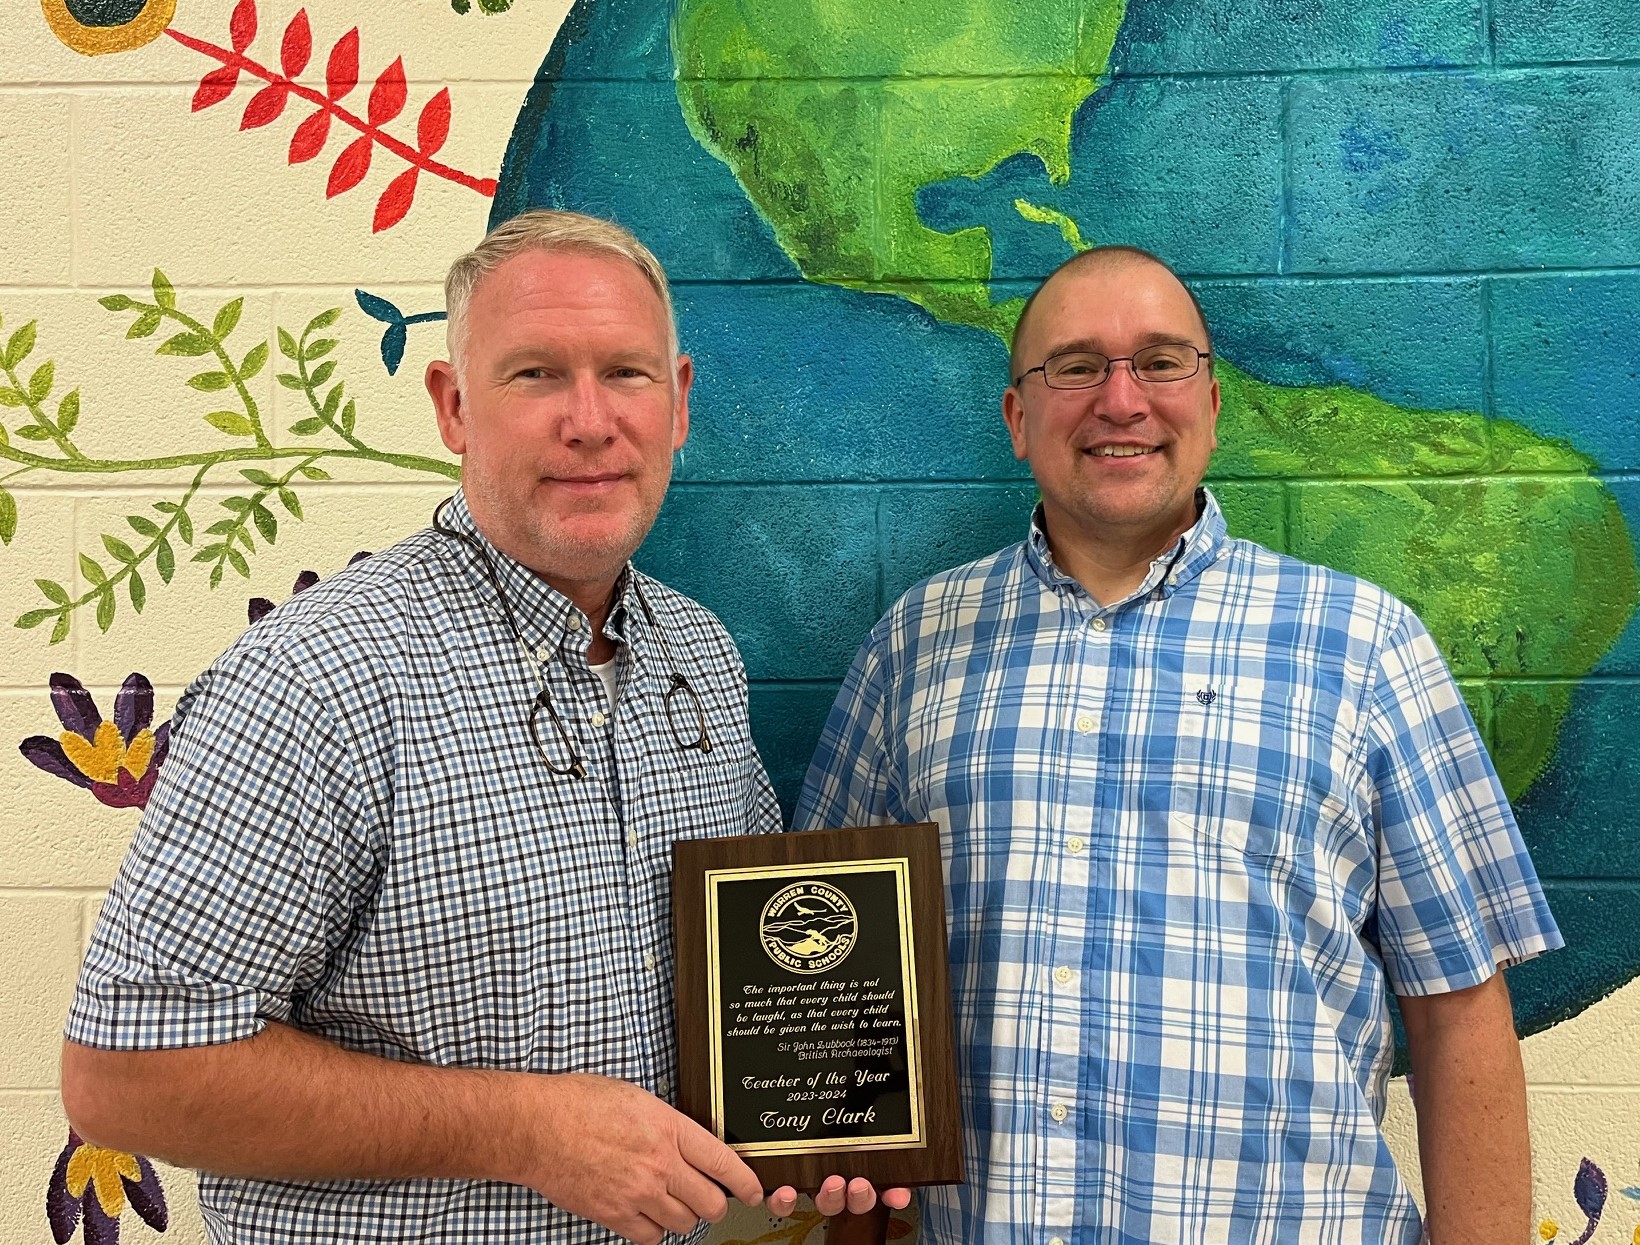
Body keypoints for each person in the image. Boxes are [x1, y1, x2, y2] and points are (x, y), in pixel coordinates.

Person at [60, 210, 899, 1245]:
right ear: (454, 408)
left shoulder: (699, 656)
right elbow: (125, 1078)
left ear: (677, 404)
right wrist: (520, 1131)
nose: (589, 421)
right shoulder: (319, 679)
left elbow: (756, 979)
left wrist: (835, 1125)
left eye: (625, 375)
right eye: (535, 375)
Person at [795, 245, 1562, 1244]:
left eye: (1159, 362)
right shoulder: (913, 648)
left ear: (1209, 403)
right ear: (1016, 419)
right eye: (1073, 366)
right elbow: (828, 988)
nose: (1120, 400)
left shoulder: (1364, 647)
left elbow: (1459, 1012)